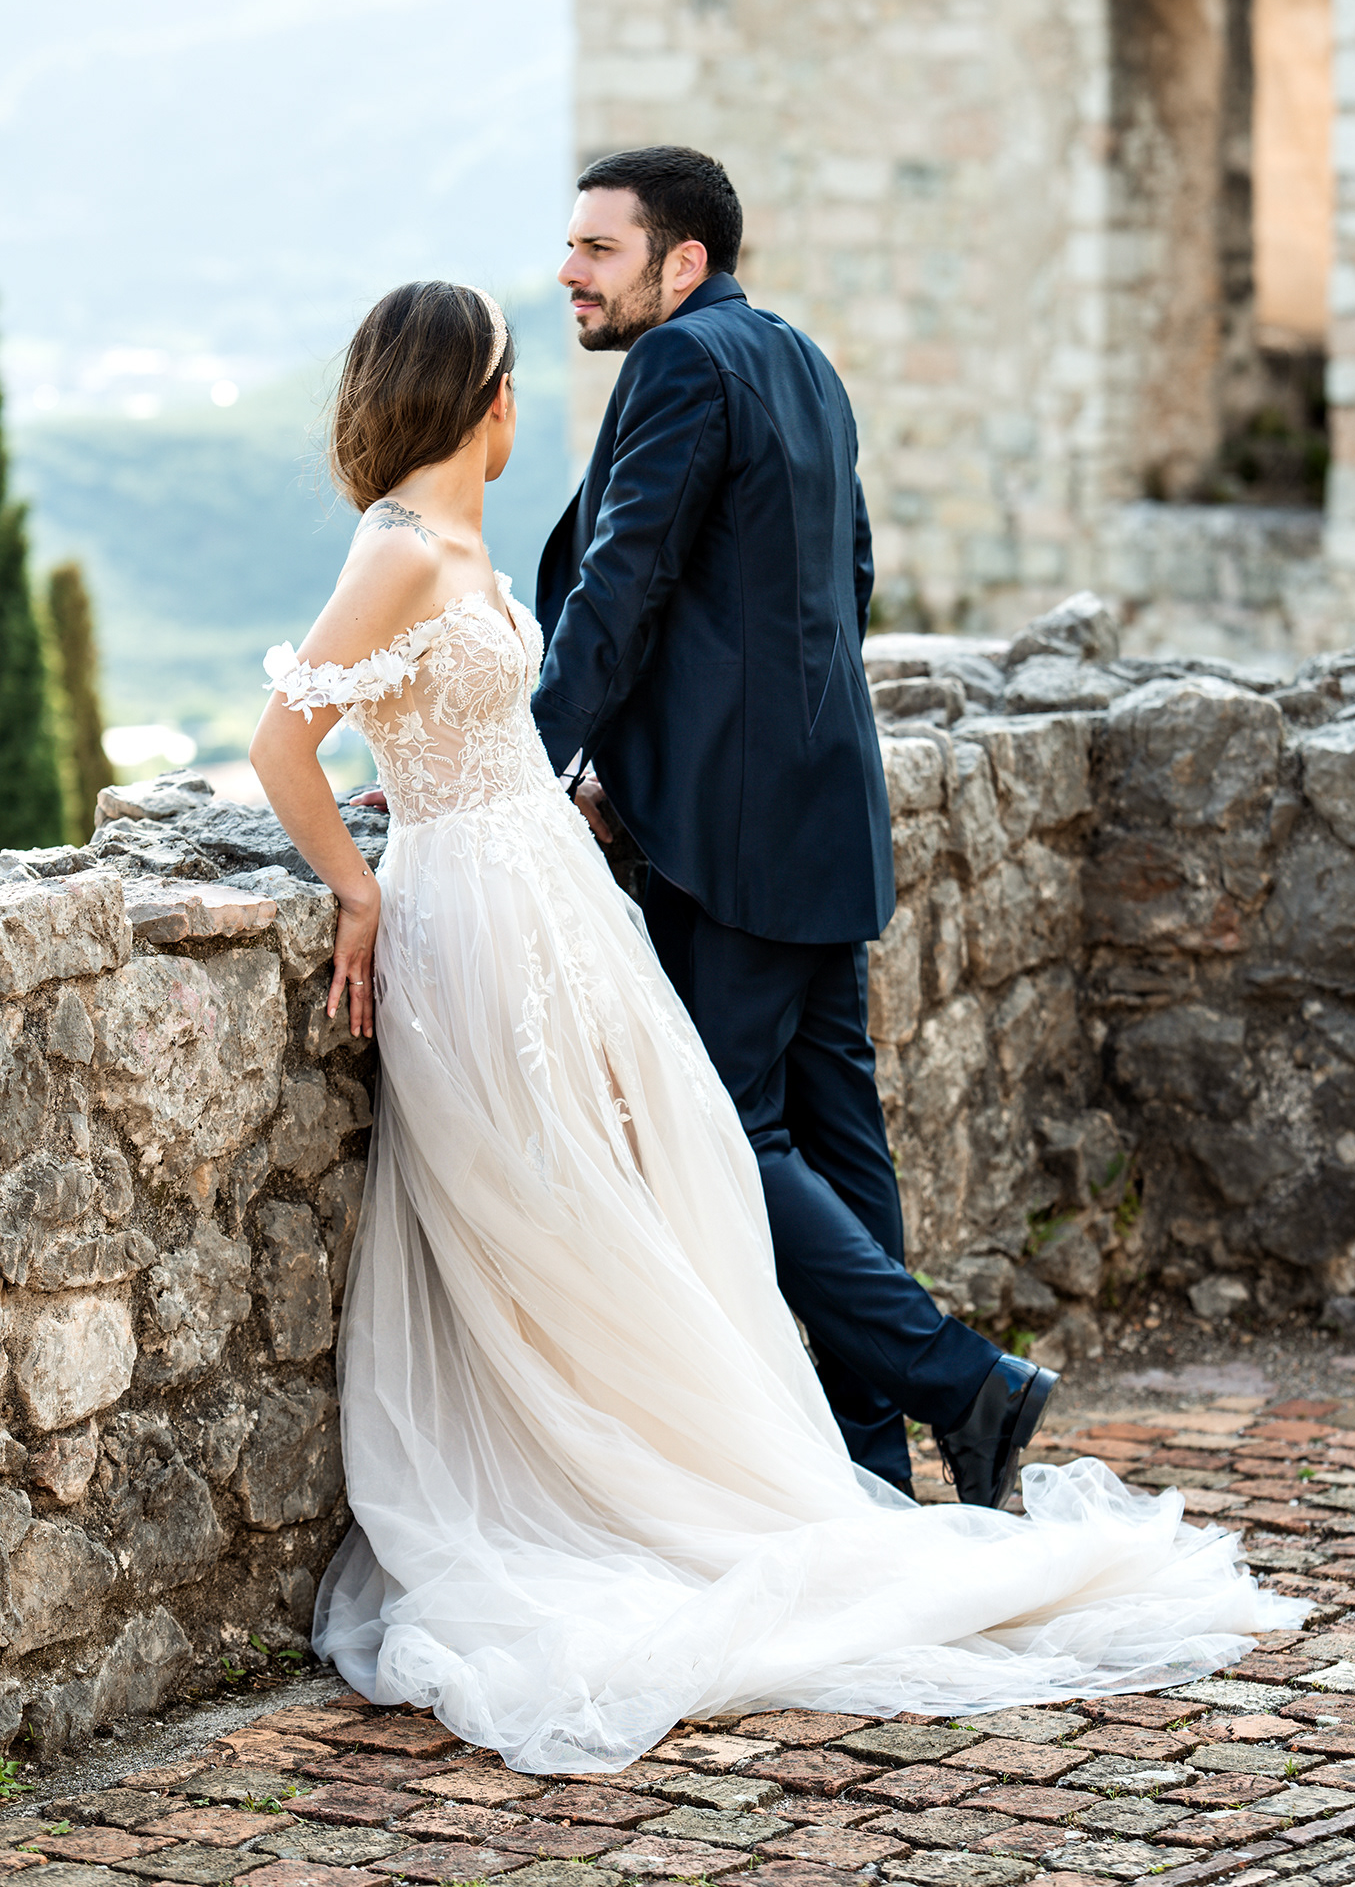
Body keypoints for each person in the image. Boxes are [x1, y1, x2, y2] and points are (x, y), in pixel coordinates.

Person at [251, 275, 1301, 1773]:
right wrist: (356, 890)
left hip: (554, 902)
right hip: (470, 923)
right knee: (554, 1207)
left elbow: (476, 719)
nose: (514, 405)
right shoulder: (401, 545)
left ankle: (786, 1451)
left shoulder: (460, 544)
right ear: (471, 397)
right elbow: (281, 741)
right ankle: (689, 1465)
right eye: (505, 381)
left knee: (648, 1184)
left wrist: (529, 784)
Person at [533, 146, 1047, 1505]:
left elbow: (621, 587)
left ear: (682, 261)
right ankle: (879, 1462)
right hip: (823, 806)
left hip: (732, 834)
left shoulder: (678, 364)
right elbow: (847, 573)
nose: (570, 270)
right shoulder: (804, 361)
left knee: (724, 1135)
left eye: (598, 248)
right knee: (839, 1135)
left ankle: (964, 1382)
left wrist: (527, 770)